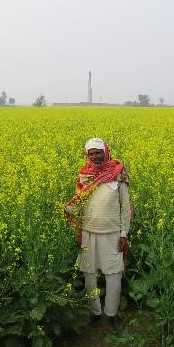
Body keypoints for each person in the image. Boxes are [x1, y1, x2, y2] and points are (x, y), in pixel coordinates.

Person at [65, 137, 132, 330]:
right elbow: (79, 202)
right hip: (88, 231)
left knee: (114, 275)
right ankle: (94, 312)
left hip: (112, 233)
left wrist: (124, 233)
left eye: (98, 152)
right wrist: (67, 210)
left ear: (106, 152)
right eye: (91, 153)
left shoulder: (118, 174)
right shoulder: (84, 175)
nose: (95, 156)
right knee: (89, 274)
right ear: (87, 155)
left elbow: (125, 207)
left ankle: (112, 314)